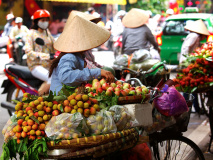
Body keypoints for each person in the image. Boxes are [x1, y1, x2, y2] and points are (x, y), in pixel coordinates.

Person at [49, 12, 114, 95]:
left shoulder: (79, 56)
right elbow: (66, 77)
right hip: (61, 101)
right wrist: (97, 72)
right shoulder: (69, 57)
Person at [180, 19, 209, 114]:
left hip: (189, 62)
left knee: (192, 86)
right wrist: (188, 59)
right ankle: (186, 107)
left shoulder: (195, 37)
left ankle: (196, 107)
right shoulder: (194, 36)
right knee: (188, 86)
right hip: (187, 63)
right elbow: (186, 48)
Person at [25, 9, 55, 95]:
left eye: (46, 20)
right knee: (52, 78)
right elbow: (28, 52)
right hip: (36, 66)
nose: (45, 22)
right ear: (36, 21)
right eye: (42, 20)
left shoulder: (47, 33)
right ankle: (39, 101)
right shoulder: (31, 33)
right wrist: (47, 56)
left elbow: (55, 46)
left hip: (49, 66)